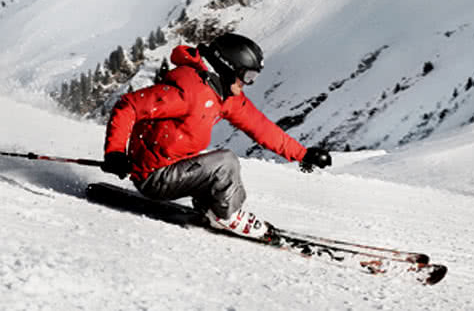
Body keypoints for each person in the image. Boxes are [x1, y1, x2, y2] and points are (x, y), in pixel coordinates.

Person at [100, 32, 332, 238]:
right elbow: (129, 105)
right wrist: (115, 153)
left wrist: (303, 154)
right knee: (224, 162)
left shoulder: (224, 97)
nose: (247, 84)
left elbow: (260, 127)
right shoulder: (189, 91)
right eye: (248, 76)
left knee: (213, 165)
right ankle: (228, 215)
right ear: (228, 68)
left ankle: (212, 209)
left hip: (177, 168)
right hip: (156, 176)